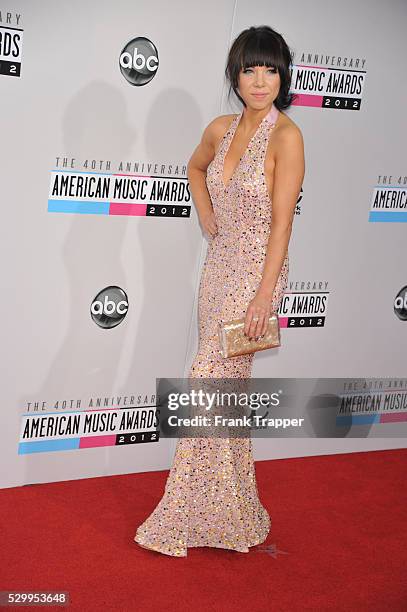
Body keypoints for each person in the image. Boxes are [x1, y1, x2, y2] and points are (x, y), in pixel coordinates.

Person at [134, 25, 305, 557]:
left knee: (207, 384)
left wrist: (264, 296)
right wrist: (205, 211)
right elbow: (195, 166)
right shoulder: (221, 129)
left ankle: (189, 514)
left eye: (270, 69)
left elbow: (282, 226)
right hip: (218, 273)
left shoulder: (287, 136)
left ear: (282, 76)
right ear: (235, 74)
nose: (259, 80)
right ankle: (232, 516)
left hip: (256, 280)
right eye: (250, 69)